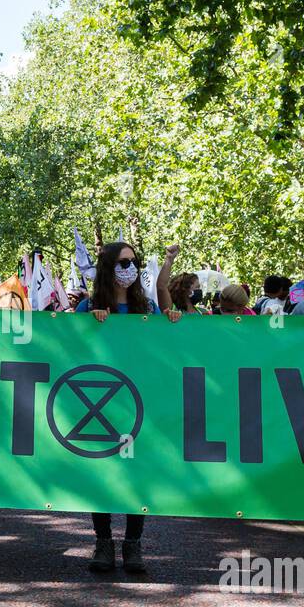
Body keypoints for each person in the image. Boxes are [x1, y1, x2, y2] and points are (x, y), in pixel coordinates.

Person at [76, 240, 181, 574]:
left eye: (133, 262)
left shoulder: (145, 308)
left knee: (140, 475)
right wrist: (90, 324)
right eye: (123, 263)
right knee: (102, 475)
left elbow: (163, 345)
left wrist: (172, 319)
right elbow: (68, 348)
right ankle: (103, 542)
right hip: (101, 403)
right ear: (108, 268)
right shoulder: (87, 307)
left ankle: (133, 544)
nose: (130, 269)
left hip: (139, 404)